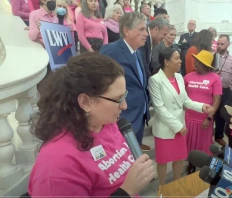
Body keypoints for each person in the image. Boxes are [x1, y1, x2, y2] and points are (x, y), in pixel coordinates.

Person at [28, 52, 155, 197]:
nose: (125, 106)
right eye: (118, 99)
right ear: (85, 102)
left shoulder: (108, 123)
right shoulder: (57, 166)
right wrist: (126, 192)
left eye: (124, 96)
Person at [149, 48, 214, 185]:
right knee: (163, 161)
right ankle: (162, 189)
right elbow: (159, 109)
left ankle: (176, 185)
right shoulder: (155, 80)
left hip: (180, 126)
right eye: (177, 58)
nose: (180, 61)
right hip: (166, 128)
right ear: (166, 62)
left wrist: (201, 106)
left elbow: (185, 100)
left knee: (179, 158)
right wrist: (178, 126)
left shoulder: (179, 77)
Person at [100, 12, 151, 151]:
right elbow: (101, 84)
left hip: (140, 116)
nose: (146, 33)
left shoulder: (138, 52)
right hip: (123, 117)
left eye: (145, 29)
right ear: (126, 30)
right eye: (141, 29)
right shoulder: (111, 51)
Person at [185, 50, 222, 174]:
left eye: (198, 62)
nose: (195, 63)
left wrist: (209, 118)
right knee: (189, 143)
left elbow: (217, 100)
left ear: (205, 64)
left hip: (204, 120)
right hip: (188, 118)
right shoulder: (188, 77)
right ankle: (191, 164)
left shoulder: (215, 78)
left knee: (203, 145)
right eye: (195, 60)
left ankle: (204, 168)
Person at [139, 16, 170, 80]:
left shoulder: (150, 41)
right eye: (164, 34)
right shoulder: (144, 40)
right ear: (156, 29)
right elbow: (143, 66)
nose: (164, 38)